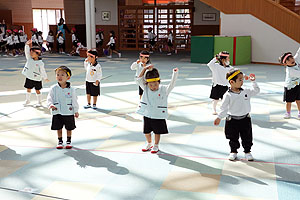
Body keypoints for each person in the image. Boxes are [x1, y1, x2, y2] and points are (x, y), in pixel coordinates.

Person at [214, 69, 260, 161]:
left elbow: (256, 91)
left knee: (247, 136)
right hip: (232, 120)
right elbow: (224, 108)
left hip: (245, 119)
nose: (242, 82)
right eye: (240, 80)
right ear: (232, 82)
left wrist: (253, 81)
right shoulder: (227, 95)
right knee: (232, 137)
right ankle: (233, 151)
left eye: (242, 79)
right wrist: (219, 117)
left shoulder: (246, 91)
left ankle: (247, 152)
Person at [136, 65, 179, 153]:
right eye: (151, 85)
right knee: (146, 132)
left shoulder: (164, 89)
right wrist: (144, 69)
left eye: (155, 84)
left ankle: (156, 145)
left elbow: (172, 84)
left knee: (157, 132)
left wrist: (175, 73)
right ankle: (149, 143)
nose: (153, 87)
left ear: (159, 82)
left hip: (158, 115)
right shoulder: (146, 88)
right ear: (147, 84)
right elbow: (139, 79)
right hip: (147, 114)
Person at [47, 66, 79, 149]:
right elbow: (49, 98)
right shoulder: (53, 88)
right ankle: (60, 141)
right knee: (58, 127)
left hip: (68, 111)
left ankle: (68, 141)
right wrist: (50, 104)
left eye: (62, 75)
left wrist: (76, 111)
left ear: (68, 77)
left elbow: (74, 100)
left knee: (69, 127)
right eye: (57, 75)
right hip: (57, 111)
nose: (59, 77)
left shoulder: (72, 90)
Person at [22, 40, 49, 106]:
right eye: (30, 52)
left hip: (37, 78)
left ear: (37, 54)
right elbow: (26, 52)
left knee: (37, 90)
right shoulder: (29, 59)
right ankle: (27, 100)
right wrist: (26, 45)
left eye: (32, 53)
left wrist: (45, 77)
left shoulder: (40, 63)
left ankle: (39, 102)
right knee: (28, 89)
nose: (30, 54)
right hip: (29, 77)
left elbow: (42, 71)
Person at [279, 47, 300, 119]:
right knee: (289, 102)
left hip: (298, 85)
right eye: (288, 60)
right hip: (290, 87)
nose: (292, 60)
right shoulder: (290, 71)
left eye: (292, 58)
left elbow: (298, 53)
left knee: (299, 100)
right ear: (285, 64)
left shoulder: (295, 61)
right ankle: (288, 113)